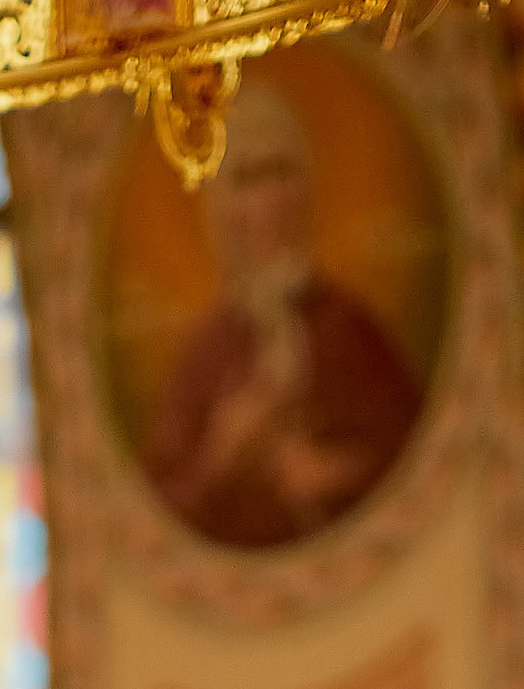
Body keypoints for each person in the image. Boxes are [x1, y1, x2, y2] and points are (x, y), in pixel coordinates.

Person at [142, 81, 423, 550]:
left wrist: (334, 472)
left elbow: (413, 449)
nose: (268, 201)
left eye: (280, 174)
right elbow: (159, 513)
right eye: (248, 179)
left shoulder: (349, 329)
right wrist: (222, 454)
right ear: (223, 206)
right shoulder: (206, 353)